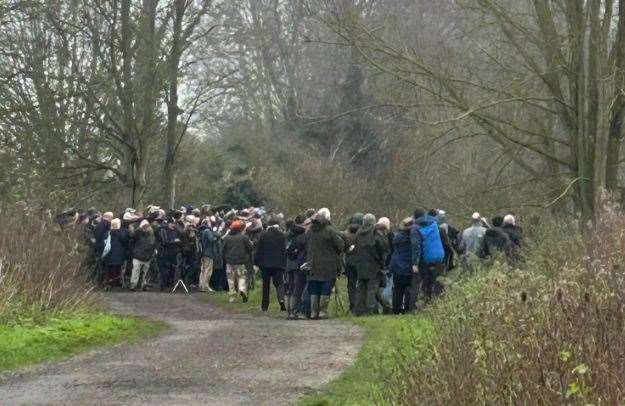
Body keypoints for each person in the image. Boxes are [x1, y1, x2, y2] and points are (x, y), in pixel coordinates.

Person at [306, 208, 345, 319]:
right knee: (325, 288)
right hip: (328, 265)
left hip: (312, 264)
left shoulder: (310, 231)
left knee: (314, 288)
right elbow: (341, 246)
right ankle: (322, 312)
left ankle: (313, 312)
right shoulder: (330, 231)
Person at [353, 213, 389, 316]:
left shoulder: (359, 233)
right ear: (373, 222)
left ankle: (358, 311)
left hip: (360, 264)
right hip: (373, 265)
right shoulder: (375, 232)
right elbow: (381, 246)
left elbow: (356, 248)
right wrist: (382, 261)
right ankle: (370, 311)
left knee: (361, 288)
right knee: (371, 289)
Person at [411, 208, 445, 302]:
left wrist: (415, 263)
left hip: (427, 258)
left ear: (415, 217)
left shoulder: (415, 228)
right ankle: (440, 301)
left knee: (425, 280)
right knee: (436, 278)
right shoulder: (434, 224)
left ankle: (427, 301)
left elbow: (416, 246)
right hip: (439, 255)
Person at [254, 216, 287, 312]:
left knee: (266, 285)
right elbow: (284, 250)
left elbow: (259, 250)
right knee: (279, 284)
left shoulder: (263, 235)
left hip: (265, 264)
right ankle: (282, 302)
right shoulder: (282, 235)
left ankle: (265, 306)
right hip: (278, 264)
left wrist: (256, 262)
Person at [390, 217, 418, 314]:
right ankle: (407, 309)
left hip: (397, 266)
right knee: (409, 288)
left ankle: (396, 310)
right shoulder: (412, 237)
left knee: (397, 290)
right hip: (408, 266)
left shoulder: (397, 237)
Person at [222, 220, 253, 303]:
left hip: (229, 262)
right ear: (240, 229)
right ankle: (242, 290)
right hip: (241, 261)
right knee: (242, 277)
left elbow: (223, 249)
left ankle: (232, 297)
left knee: (231, 280)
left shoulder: (227, 238)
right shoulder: (244, 237)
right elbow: (250, 248)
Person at [285, 215, 308, 319]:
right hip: (297, 264)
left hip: (288, 264)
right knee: (297, 288)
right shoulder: (302, 236)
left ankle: (290, 311)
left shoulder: (288, 235)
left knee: (290, 288)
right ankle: (295, 310)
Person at [342, 213, 363, 312]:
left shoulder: (346, 233)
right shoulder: (363, 233)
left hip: (349, 262)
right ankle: (360, 306)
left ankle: (352, 305)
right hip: (360, 262)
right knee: (361, 284)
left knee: (351, 285)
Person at [102, 218, 129, 288]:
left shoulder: (107, 233)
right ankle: (115, 282)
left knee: (109, 270)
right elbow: (125, 242)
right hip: (119, 255)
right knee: (117, 270)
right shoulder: (122, 233)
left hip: (109, 254)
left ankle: (108, 283)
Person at [129, 219, 156, 291]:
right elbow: (132, 240)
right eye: (144, 226)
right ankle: (133, 285)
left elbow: (153, 245)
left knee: (144, 272)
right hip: (138, 255)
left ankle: (142, 285)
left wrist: (152, 254)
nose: (146, 228)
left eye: (147, 226)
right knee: (136, 271)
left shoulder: (152, 236)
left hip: (147, 256)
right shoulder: (137, 234)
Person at [157, 217, 181, 291]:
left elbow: (179, 239)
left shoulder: (175, 231)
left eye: (174, 223)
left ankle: (169, 285)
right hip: (164, 253)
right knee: (163, 271)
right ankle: (162, 285)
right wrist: (174, 241)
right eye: (172, 223)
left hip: (172, 253)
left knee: (172, 270)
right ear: (168, 223)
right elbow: (165, 242)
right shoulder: (163, 230)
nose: (173, 225)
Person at [198, 218, 218, 292]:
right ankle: (205, 286)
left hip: (203, 253)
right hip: (208, 253)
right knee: (208, 270)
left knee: (202, 270)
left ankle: (201, 285)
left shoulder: (202, 231)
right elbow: (211, 239)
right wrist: (215, 237)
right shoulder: (207, 231)